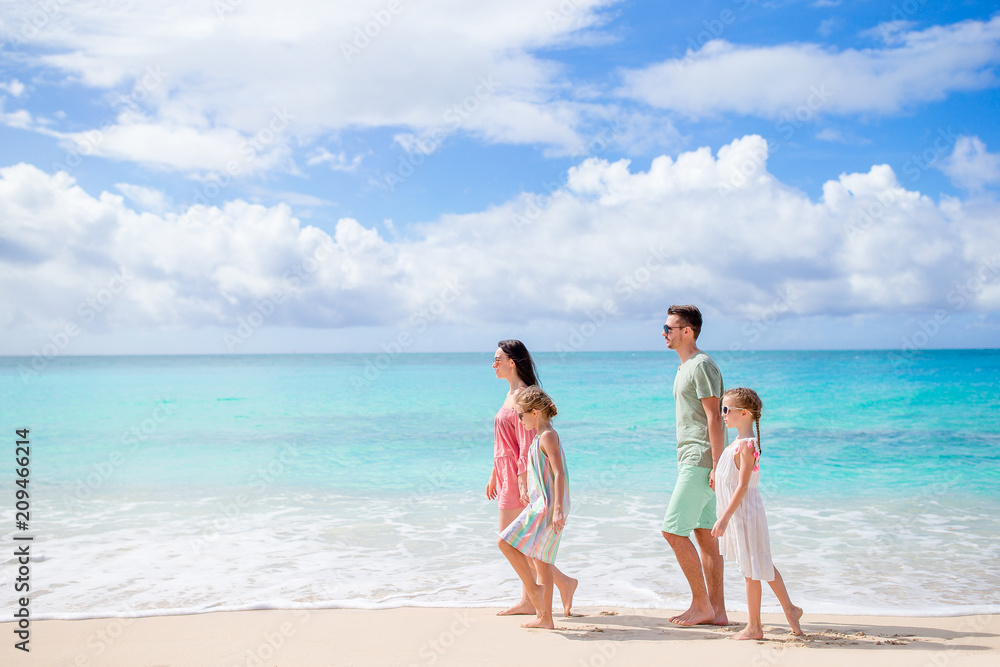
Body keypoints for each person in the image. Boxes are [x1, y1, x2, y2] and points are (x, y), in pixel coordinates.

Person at [487, 340, 577, 617]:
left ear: (511, 362)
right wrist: (494, 473)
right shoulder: (509, 395)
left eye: (497, 359)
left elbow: (528, 442)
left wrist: (524, 481)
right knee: (520, 543)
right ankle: (555, 587)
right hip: (506, 473)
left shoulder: (524, 396)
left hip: (521, 477)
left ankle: (540, 594)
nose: (493, 364)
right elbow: (506, 441)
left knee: (517, 542)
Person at [712, 387, 803, 640]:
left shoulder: (747, 445)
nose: (723, 415)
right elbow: (731, 478)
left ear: (744, 414)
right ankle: (790, 610)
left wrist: (724, 518)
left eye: (726, 410)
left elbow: (742, 486)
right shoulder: (738, 444)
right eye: (722, 409)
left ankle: (754, 627)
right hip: (741, 512)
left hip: (744, 514)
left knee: (752, 568)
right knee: (758, 563)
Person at [660, 304, 728, 626]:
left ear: (687, 331)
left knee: (672, 531)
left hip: (701, 459)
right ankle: (718, 611)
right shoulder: (684, 367)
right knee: (704, 535)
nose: (664, 333)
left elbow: (715, 417)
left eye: (669, 328)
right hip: (695, 458)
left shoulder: (701, 365)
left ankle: (701, 605)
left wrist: (717, 465)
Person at [497, 386, 571, 629]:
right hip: (542, 502)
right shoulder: (540, 437)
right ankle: (545, 618)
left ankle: (534, 591)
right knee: (541, 562)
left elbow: (559, 472)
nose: (520, 419)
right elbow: (543, 472)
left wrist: (558, 507)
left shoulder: (548, 436)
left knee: (505, 542)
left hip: (548, 506)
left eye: (522, 415)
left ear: (535, 412)